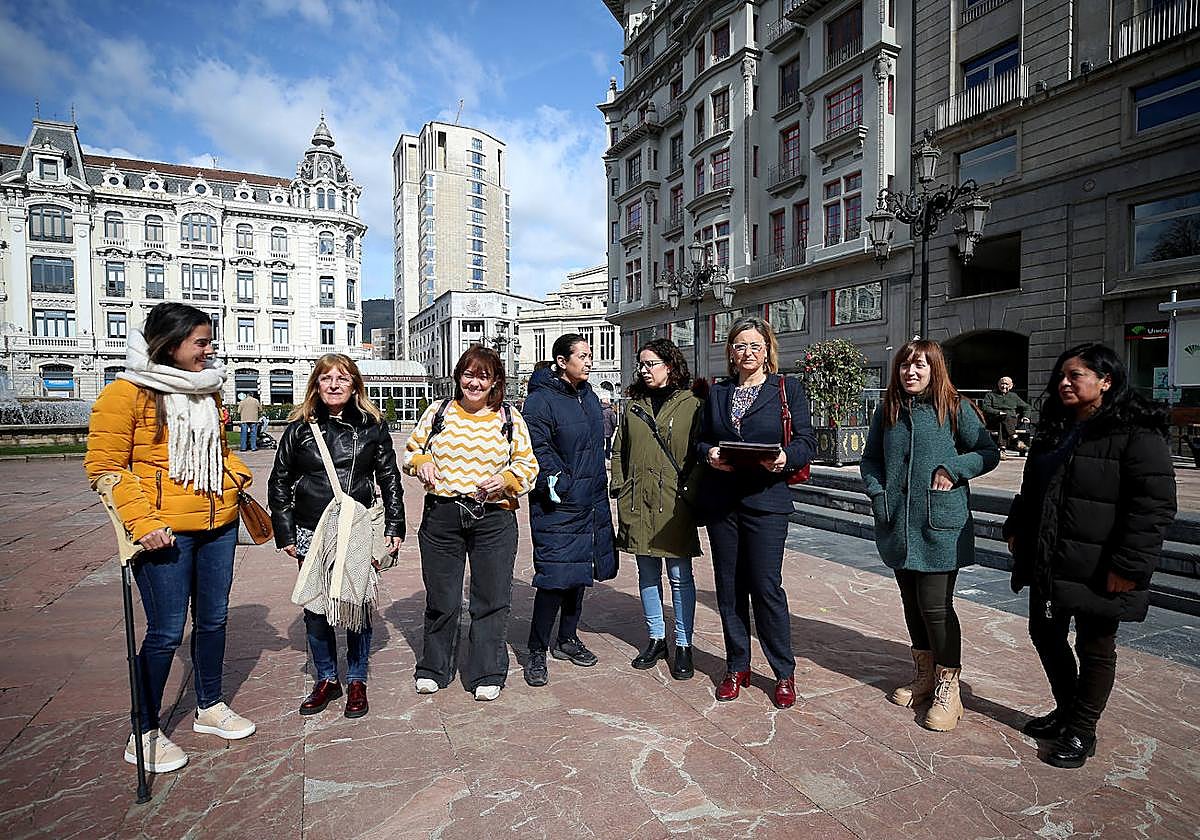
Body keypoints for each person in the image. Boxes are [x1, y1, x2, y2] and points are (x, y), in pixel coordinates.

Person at [84, 302, 256, 774]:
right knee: (163, 632)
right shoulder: (126, 394)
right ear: (171, 344)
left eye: (210, 340)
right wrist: (143, 524)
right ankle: (143, 731)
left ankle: (210, 706)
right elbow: (104, 467)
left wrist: (235, 477)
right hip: (162, 534)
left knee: (214, 620)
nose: (210, 349)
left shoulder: (207, 391)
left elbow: (219, 451)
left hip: (218, 524)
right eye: (201, 341)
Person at [1004, 343, 1176, 768]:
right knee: (1045, 633)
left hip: (1102, 565)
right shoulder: (1056, 427)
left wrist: (1130, 567)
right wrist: (1016, 529)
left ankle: (1082, 729)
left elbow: (1153, 505)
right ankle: (1067, 711)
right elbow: (1033, 488)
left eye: (1075, 375)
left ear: (1106, 381)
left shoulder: (1136, 431)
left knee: (1095, 646)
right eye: (1062, 375)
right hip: (1049, 556)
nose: (1064, 382)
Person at [860, 340, 1000, 732]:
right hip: (898, 524)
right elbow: (871, 458)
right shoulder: (886, 410)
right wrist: (878, 492)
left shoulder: (954, 406)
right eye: (905, 365)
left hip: (939, 526)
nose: (911, 372)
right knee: (911, 604)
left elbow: (988, 452)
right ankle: (923, 675)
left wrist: (955, 469)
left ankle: (948, 688)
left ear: (935, 369)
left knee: (935, 607)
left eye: (920, 365)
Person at [268, 354, 404, 720]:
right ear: (316, 384)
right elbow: (278, 481)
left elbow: (390, 478)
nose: (333, 384)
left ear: (355, 385)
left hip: (357, 526)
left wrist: (394, 526)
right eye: (326, 378)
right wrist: (283, 530)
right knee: (316, 607)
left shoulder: (373, 425)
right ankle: (327, 678)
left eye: (342, 378)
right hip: (312, 525)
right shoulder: (299, 428)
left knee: (356, 602)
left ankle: (357, 677)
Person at [403, 346, 539, 701]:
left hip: (493, 517)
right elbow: (411, 451)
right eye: (468, 374)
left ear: (495, 381)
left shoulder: (509, 417)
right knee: (442, 596)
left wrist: (507, 479)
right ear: (458, 376)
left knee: (491, 598)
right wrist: (421, 463)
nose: (474, 382)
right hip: (442, 515)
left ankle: (487, 672)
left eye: (483, 376)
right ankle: (434, 667)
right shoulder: (439, 411)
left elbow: (529, 467)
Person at [696, 316, 816, 709]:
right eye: (740, 346)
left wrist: (784, 457)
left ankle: (783, 672)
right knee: (729, 589)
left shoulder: (786, 388)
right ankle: (737, 666)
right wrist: (709, 454)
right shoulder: (718, 393)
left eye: (755, 346)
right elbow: (701, 440)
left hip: (767, 500)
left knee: (766, 588)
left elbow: (805, 441)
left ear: (767, 351)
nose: (747, 353)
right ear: (731, 352)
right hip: (723, 503)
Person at [522, 334, 617, 687]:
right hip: (558, 503)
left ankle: (567, 638)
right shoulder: (540, 401)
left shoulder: (589, 397)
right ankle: (535, 649)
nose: (589, 361)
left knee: (579, 574)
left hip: (590, 500)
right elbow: (538, 449)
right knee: (554, 578)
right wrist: (560, 482)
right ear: (561, 361)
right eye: (583, 356)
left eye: (590, 355)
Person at [611, 338, 704, 680]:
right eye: (641, 364)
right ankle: (656, 638)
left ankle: (683, 644)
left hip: (674, 502)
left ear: (670, 365)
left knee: (680, 576)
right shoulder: (634, 406)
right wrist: (620, 487)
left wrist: (690, 491)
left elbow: (699, 453)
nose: (644, 370)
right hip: (637, 501)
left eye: (651, 363)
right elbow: (619, 450)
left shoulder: (693, 403)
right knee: (647, 573)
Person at [980, 376, 1031, 456]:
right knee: (1003, 419)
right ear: (998, 385)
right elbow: (985, 407)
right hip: (995, 420)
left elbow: (1026, 407)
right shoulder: (991, 395)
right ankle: (1016, 440)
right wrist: (998, 412)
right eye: (1002, 384)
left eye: (1006, 384)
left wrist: (1025, 416)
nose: (1004, 386)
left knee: (1003, 422)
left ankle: (1002, 449)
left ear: (1010, 386)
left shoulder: (1014, 396)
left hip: (1011, 421)